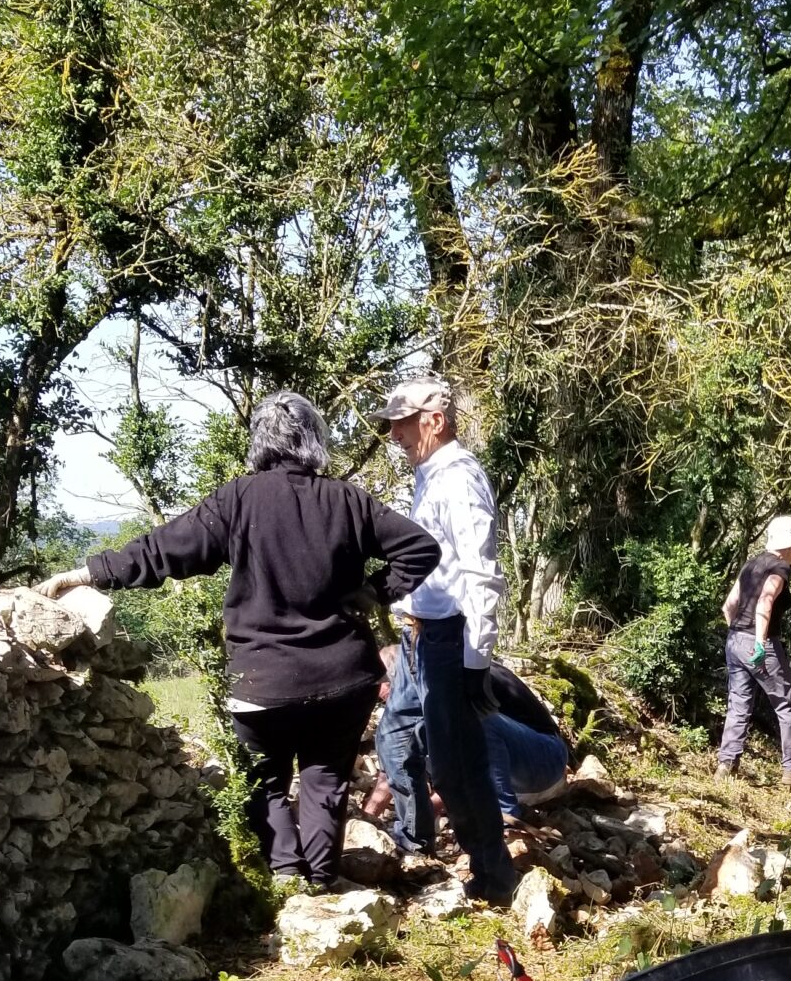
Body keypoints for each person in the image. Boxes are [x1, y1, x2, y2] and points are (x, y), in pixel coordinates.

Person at [37, 391, 441, 887]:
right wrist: (374, 592)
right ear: (313, 440)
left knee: (264, 783)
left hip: (262, 680)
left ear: (260, 442)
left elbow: (162, 551)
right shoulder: (347, 500)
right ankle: (319, 881)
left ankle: (285, 876)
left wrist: (85, 574)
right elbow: (420, 547)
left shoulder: (238, 499)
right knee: (326, 778)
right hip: (342, 676)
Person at [377, 366, 520, 903]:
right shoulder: (430, 475)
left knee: (456, 764)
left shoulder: (458, 478)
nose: (395, 434)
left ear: (434, 421)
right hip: (418, 636)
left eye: (404, 422)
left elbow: (481, 573)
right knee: (395, 739)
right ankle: (415, 846)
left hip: (448, 638)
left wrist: (475, 661)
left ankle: (493, 876)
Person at [714, 516, 791, 785]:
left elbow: (729, 605)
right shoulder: (779, 567)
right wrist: (758, 642)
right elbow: (765, 602)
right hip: (761, 643)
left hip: (735, 640)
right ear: (788, 546)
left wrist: (738, 634)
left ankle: (726, 765)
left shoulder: (750, 565)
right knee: (787, 702)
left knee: (738, 704)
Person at [482, 661, 571, 825]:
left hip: (547, 761)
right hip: (521, 773)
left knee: (482, 720)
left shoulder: (473, 673)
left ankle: (506, 816)